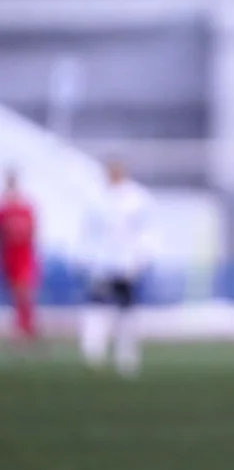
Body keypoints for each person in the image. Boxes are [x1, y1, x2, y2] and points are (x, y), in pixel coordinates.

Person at [78, 159, 158, 377]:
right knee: (96, 306)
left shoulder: (137, 198)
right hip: (101, 263)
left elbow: (146, 230)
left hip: (127, 263)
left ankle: (126, 356)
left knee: (127, 310)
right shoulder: (97, 197)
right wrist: (85, 258)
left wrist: (143, 257)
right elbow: (88, 231)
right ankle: (93, 354)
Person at [0, 168, 40, 342]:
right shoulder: (4, 209)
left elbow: (32, 231)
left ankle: (26, 326)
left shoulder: (26, 208)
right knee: (16, 292)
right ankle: (22, 326)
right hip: (10, 255)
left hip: (24, 255)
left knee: (24, 291)